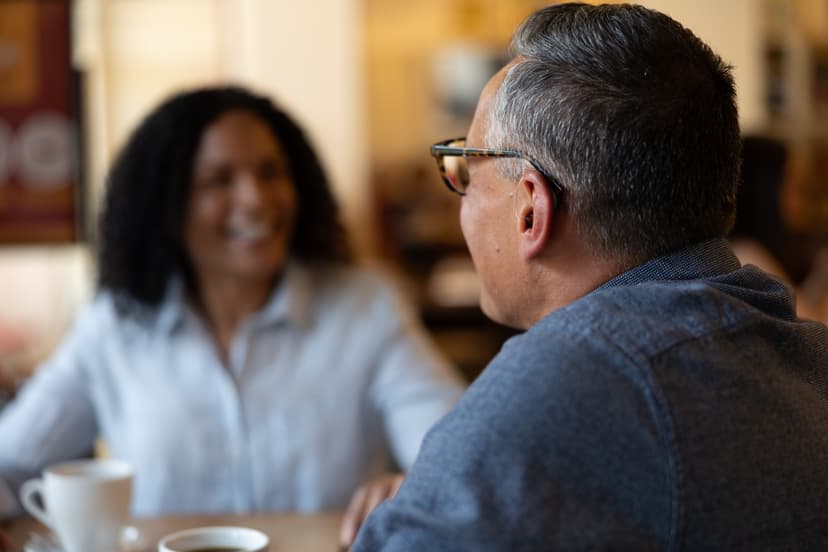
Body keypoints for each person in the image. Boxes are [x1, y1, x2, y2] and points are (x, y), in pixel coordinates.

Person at [353, 3, 828, 550]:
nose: (460, 191)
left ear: (530, 207)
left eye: (465, 165)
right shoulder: (801, 350)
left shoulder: (566, 376)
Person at [0, 87, 464, 528]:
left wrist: (417, 488)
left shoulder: (365, 307)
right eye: (219, 180)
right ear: (166, 205)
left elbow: (462, 453)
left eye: (271, 173)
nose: (256, 199)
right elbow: (11, 464)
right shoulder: (115, 326)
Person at [730, 135, 828, 323]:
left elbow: (799, 309)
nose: (800, 197)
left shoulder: (754, 250)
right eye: (790, 184)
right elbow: (812, 330)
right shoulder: (747, 255)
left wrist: (820, 278)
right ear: (765, 189)